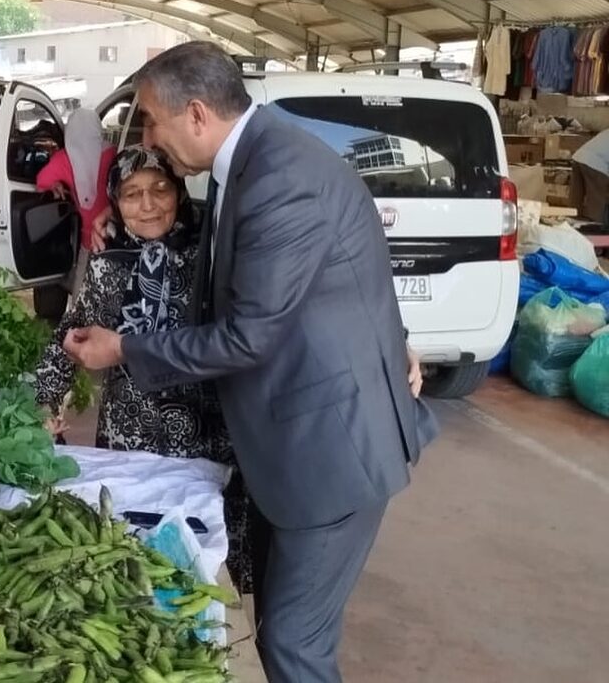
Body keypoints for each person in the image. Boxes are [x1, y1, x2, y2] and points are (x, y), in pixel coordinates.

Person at [63, 41, 437, 683]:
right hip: (293, 446)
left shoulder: (277, 177)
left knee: (294, 644)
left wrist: (124, 346)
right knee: (281, 630)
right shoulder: (252, 165)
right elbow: (340, 275)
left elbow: (246, 337)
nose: (149, 133)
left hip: (329, 453)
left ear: (198, 114)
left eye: (153, 118)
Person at [35, 145, 255, 593]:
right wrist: (41, 401)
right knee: (130, 558)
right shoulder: (109, 261)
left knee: (200, 560)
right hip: (129, 436)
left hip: (206, 434)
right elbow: (70, 338)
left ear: (180, 191)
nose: (149, 204)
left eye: (160, 188)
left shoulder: (212, 255)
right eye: (132, 194)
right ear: (115, 201)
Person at [35, 108, 116, 293]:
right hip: (114, 235)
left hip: (88, 239)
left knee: (81, 291)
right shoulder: (113, 152)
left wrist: (57, 185)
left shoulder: (64, 158)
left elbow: (41, 181)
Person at [572, 130, 609, 224]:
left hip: (578, 157)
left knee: (576, 199)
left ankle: (572, 226)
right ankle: (596, 230)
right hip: (596, 163)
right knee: (598, 201)